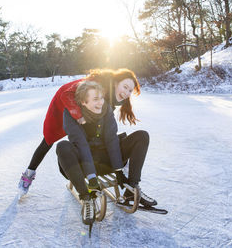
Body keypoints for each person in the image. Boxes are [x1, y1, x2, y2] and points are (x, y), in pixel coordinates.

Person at [18, 69, 141, 195]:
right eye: (125, 87)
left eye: (130, 90)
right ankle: (29, 173)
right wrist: (78, 116)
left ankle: (104, 164)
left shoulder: (115, 92)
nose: (127, 92)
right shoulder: (95, 82)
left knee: (97, 135)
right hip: (62, 108)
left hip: (85, 108)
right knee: (48, 140)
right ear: (115, 82)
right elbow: (66, 95)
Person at [56, 80, 157, 225]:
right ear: (83, 102)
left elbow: (111, 139)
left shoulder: (106, 109)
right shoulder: (70, 114)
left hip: (106, 159)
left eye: (102, 98)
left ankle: (132, 187)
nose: (101, 102)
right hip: (83, 165)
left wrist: (118, 170)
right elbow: (82, 146)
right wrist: (91, 178)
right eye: (96, 99)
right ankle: (86, 198)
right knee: (62, 147)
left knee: (142, 136)